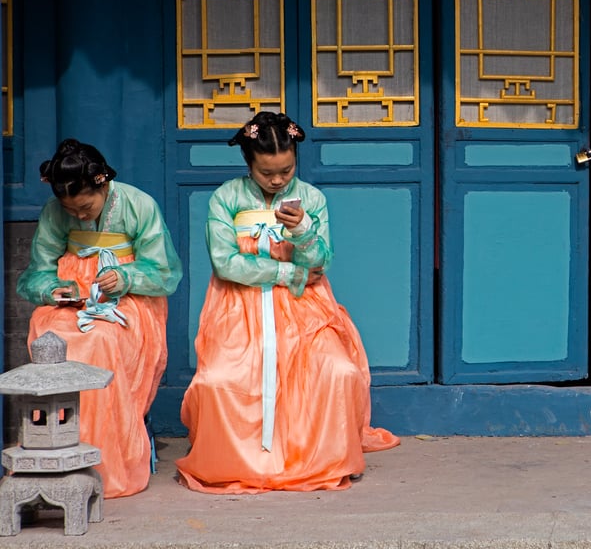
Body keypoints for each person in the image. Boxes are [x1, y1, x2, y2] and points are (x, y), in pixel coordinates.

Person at [175, 111, 399, 494]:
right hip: (239, 306)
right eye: (267, 172)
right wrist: (287, 274)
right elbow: (226, 263)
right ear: (249, 164)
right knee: (219, 380)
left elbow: (321, 262)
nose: (278, 180)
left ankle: (324, 458)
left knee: (337, 371)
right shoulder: (226, 198)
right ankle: (235, 459)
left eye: (287, 170)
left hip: (304, 309)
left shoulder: (311, 198)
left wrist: (303, 231)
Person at [16, 139, 183, 498]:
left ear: (102, 183)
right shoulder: (54, 211)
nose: (78, 215)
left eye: (85, 206)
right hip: (71, 300)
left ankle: (108, 456)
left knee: (100, 339)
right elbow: (35, 274)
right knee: (49, 332)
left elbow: (165, 272)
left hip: (128, 302)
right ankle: (56, 446)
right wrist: (52, 291)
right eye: (70, 209)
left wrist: (126, 277)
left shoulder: (139, 205)